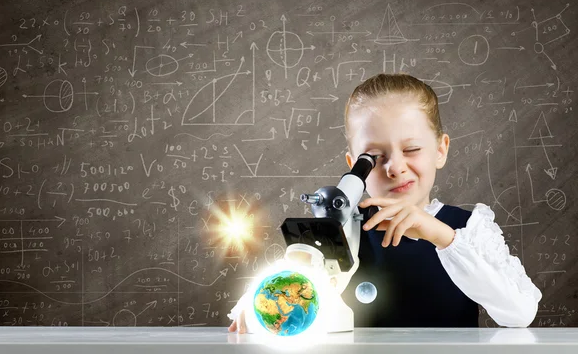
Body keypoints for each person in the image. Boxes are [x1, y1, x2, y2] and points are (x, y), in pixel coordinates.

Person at [228, 73, 542, 333]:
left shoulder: (468, 229)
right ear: (355, 167)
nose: (395, 167)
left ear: (440, 150)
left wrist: (441, 235)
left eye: (412, 148)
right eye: (374, 158)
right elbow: (295, 289)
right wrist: (258, 307)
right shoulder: (346, 230)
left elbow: (520, 312)